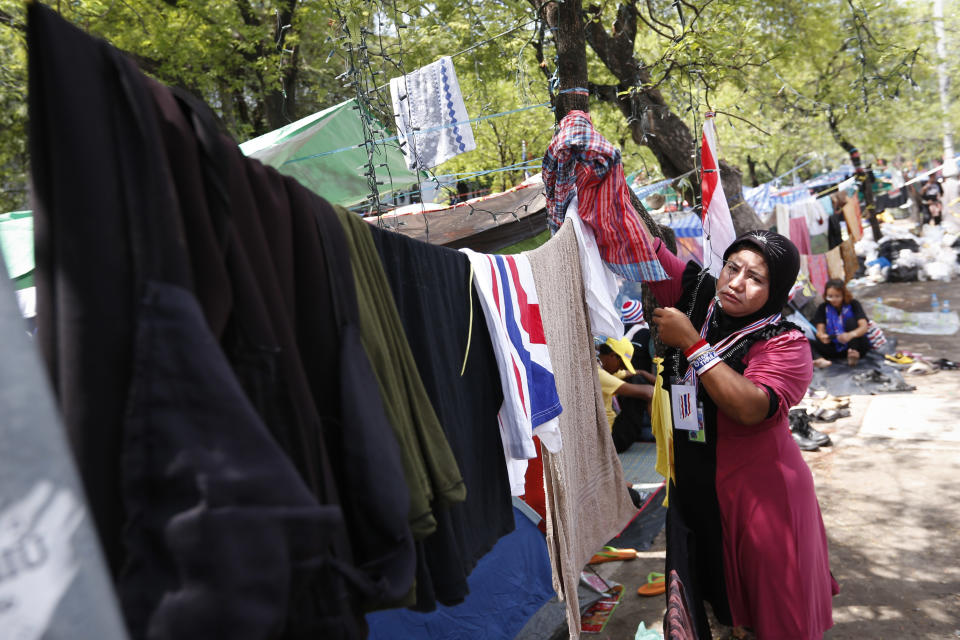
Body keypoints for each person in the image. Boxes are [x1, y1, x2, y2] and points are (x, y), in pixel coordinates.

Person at [649, 231, 838, 639]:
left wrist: (692, 344)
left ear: (777, 291)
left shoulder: (786, 344)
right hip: (697, 492)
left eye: (756, 278)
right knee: (714, 606)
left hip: (760, 500)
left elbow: (750, 407)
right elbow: (644, 252)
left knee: (768, 613)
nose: (736, 282)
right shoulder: (700, 300)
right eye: (732, 267)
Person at [596, 337, 655, 453]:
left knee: (637, 378)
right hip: (611, 440)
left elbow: (635, 373)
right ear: (612, 356)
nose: (621, 368)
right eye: (622, 363)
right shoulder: (600, 374)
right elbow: (650, 393)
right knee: (641, 388)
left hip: (610, 432)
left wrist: (643, 372)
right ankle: (659, 432)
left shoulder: (601, 367)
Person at [810, 279, 870, 368]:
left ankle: (853, 353)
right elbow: (820, 330)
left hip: (856, 345)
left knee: (851, 322)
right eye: (830, 296)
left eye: (837, 296)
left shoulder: (853, 304)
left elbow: (864, 327)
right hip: (835, 346)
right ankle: (820, 359)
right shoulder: (823, 308)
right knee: (806, 340)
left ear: (843, 295)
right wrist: (823, 337)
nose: (833, 300)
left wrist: (850, 335)